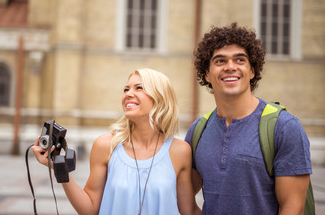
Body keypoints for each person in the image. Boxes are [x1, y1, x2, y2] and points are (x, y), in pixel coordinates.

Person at [32, 68, 201, 215]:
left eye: (139, 88)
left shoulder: (180, 151)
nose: (128, 94)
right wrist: (60, 169)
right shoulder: (106, 145)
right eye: (126, 89)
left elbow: (189, 211)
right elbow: (90, 210)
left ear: (160, 98)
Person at [185, 23, 312, 214]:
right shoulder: (198, 130)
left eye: (240, 60)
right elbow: (181, 190)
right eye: (220, 61)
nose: (230, 67)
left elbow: (292, 207)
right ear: (207, 75)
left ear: (252, 71)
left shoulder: (284, 127)